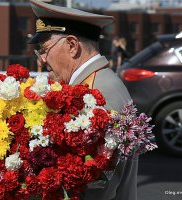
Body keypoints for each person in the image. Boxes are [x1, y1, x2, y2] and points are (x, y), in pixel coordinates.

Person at [29, 0, 138, 199]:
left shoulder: (99, 94)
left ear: (72, 45)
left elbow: (97, 185)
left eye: (44, 49)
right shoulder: (96, 82)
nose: (41, 60)